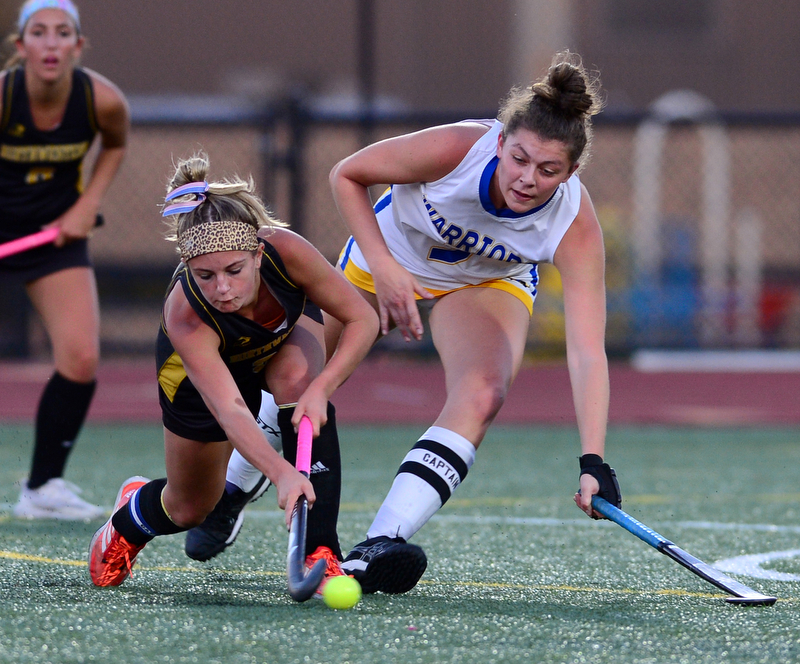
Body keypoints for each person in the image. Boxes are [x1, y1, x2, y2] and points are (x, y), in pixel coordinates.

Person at [191, 51, 623, 594]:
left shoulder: (574, 223)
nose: (527, 180)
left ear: (572, 173)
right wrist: (388, 269)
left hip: (486, 283)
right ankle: (235, 490)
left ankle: (377, 546)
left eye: (548, 170)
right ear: (499, 143)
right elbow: (347, 174)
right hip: (386, 257)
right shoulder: (455, 149)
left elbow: (587, 351)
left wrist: (594, 458)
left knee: (485, 391)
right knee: (295, 377)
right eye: (519, 159)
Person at [88, 153, 379, 589]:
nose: (222, 289)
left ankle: (322, 551)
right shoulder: (186, 315)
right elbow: (231, 410)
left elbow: (363, 319)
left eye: (235, 270)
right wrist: (281, 473)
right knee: (190, 507)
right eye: (205, 275)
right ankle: (128, 520)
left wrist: (323, 387)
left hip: (278, 345)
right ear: (187, 268)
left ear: (258, 254)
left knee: (300, 389)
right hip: (198, 381)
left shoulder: (288, 251)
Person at [1, 0, 129, 519]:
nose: (51, 43)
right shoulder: (4, 97)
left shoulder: (102, 100)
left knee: (79, 360)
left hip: (55, 237)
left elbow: (115, 147)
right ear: (21, 45)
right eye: (39, 32)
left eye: (62, 33)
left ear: (77, 46)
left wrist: (87, 204)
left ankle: (42, 488)